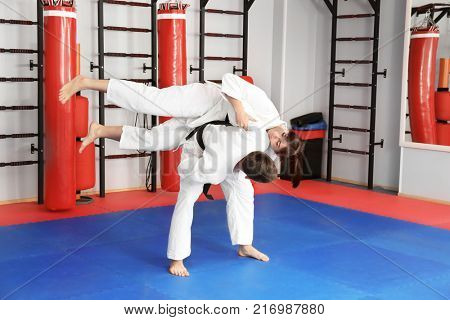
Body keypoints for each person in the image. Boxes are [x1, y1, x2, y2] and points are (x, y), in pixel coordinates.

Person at [59, 73, 303, 186]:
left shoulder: (269, 148)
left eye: (277, 148)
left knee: (154, 141)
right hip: (207, 101)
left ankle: (100, 130)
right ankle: (86, 82)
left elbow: (254, 166)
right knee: (151, 100)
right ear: (284, 132)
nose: (273, 143)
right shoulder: (265, 106)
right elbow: (230, 80)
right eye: (278, 141)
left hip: (203, 128)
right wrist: (238, 108)